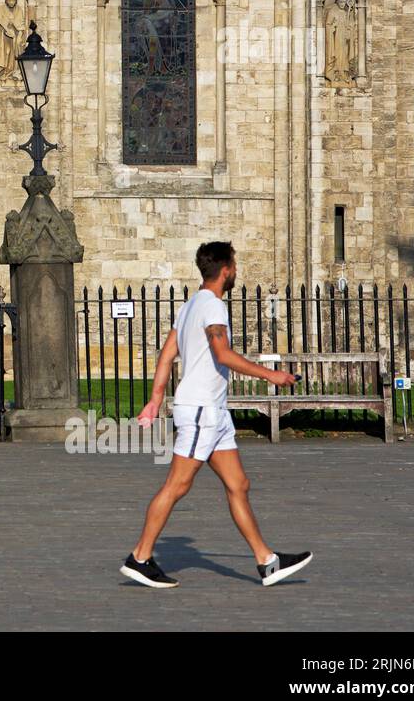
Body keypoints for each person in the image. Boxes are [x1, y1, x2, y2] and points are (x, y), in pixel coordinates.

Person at [120, 241, 313, 588]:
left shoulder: (190, 306)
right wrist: (271, 375)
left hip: (214, 413)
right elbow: (222, 354)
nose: (236, 271)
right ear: (225, 270)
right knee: (177, 485)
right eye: (235, 266)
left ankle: (266, 562)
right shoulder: (212, 308)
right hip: (200, 411)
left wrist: (154, 399)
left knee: (238, 484)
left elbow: (166, 357)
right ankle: (140, 557)